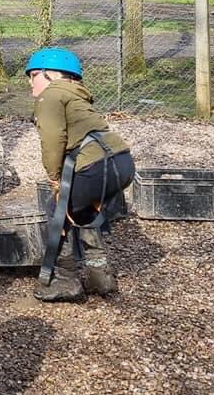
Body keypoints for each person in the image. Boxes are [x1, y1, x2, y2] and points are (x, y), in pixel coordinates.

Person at [26, 47, 135, 303]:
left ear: (49, 74)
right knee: (84, 213)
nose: (30, 83)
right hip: (122, 163)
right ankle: (100, 277)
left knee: (57, 211)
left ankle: (65, 281)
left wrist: (54, 179)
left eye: (33, 76)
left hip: (95, 167)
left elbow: (53, 140)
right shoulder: (77, 96)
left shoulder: (50, 96)